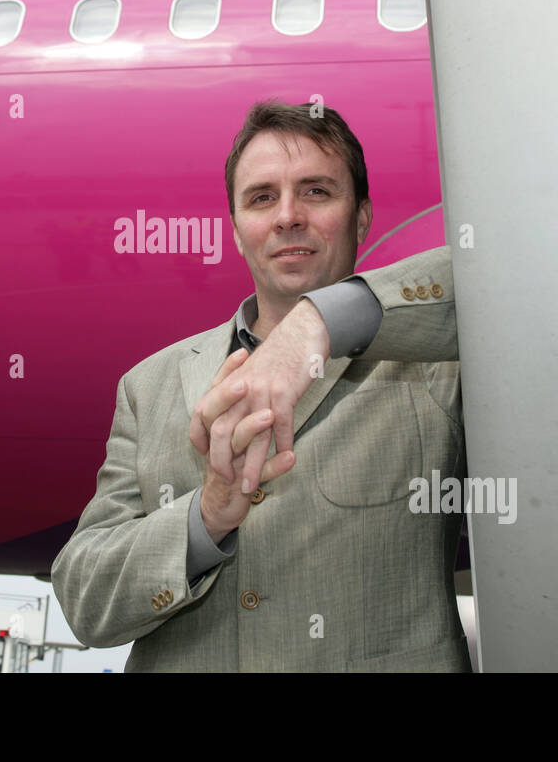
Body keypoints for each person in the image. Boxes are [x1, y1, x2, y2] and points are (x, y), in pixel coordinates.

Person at [52, 99, 465, 671]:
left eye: (317, 191)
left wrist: (320, 322)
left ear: (362, 218)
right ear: (239, 232)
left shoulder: (434, 367)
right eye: (262, 197)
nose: (288, 216)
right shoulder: (148, 387)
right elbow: (84, 599)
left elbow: (509, 273)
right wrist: (207, 516)